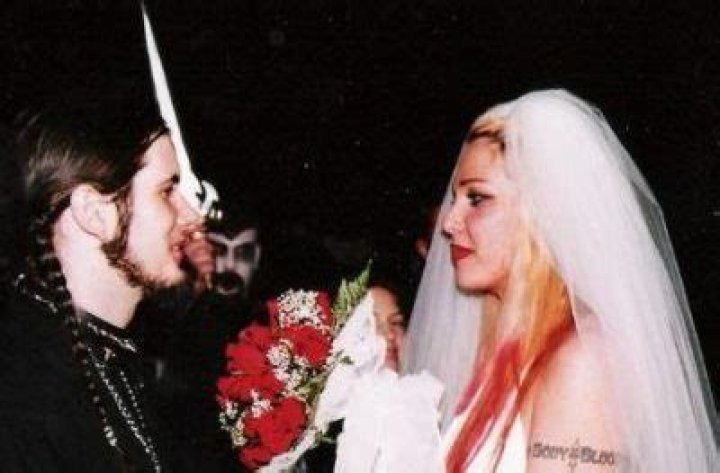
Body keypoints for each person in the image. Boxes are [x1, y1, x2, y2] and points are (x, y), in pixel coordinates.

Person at [397, 89, 720, 472]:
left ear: (544, 212)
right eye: (455, 198)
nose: (450, 223)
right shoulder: (501, 356)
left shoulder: (583, 363)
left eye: (477, 198)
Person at [0, 92, 206, 472]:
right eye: (166, 191)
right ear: (94, 213)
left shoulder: (112, 357)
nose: (192, 215)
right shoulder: (23, 391)